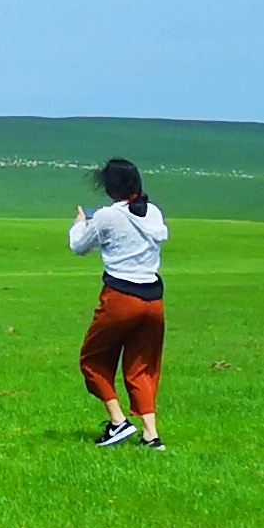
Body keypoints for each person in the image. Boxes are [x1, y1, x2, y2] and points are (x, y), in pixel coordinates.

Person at [68, 160, 169, 448]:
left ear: (110, 188)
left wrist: (79, 225)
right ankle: (151, 434)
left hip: (121, 297)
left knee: (93, 360)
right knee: (142, 367)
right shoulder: (153, 212)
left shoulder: (106, 216)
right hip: (154, 300)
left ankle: (117, 421)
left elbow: (79, 247)